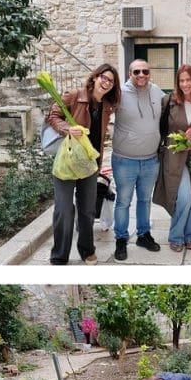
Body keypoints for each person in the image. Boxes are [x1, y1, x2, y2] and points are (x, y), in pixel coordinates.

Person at [46, 64, 119, 265]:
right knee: (63, 209)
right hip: (68, 162)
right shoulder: (75, 95)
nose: (106, 83)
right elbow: (52, 116)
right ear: (95, 77)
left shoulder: (106, 106)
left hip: (89, 164)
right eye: (104, 77)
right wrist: (67, 128)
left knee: (87, 210)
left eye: (111, 81)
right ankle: (60, 254)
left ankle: (87, 250)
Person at [153, 64, 191, 252]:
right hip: (174, 156)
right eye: (182, 80)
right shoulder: (168, 101)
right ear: (177, 83)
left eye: (189, 80)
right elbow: (160, 127)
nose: (185, 84)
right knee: (184, 196)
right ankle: (176, 236)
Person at [110, 58, 164, 262]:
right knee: (123, 201)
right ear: (129, 73)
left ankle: (143, 235)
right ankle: (121, 239)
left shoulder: (157, 91)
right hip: (125, 160)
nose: (141, 75)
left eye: (145, 71)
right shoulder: (119, 93)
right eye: (136, 72)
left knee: (145, 200)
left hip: (150, 160)